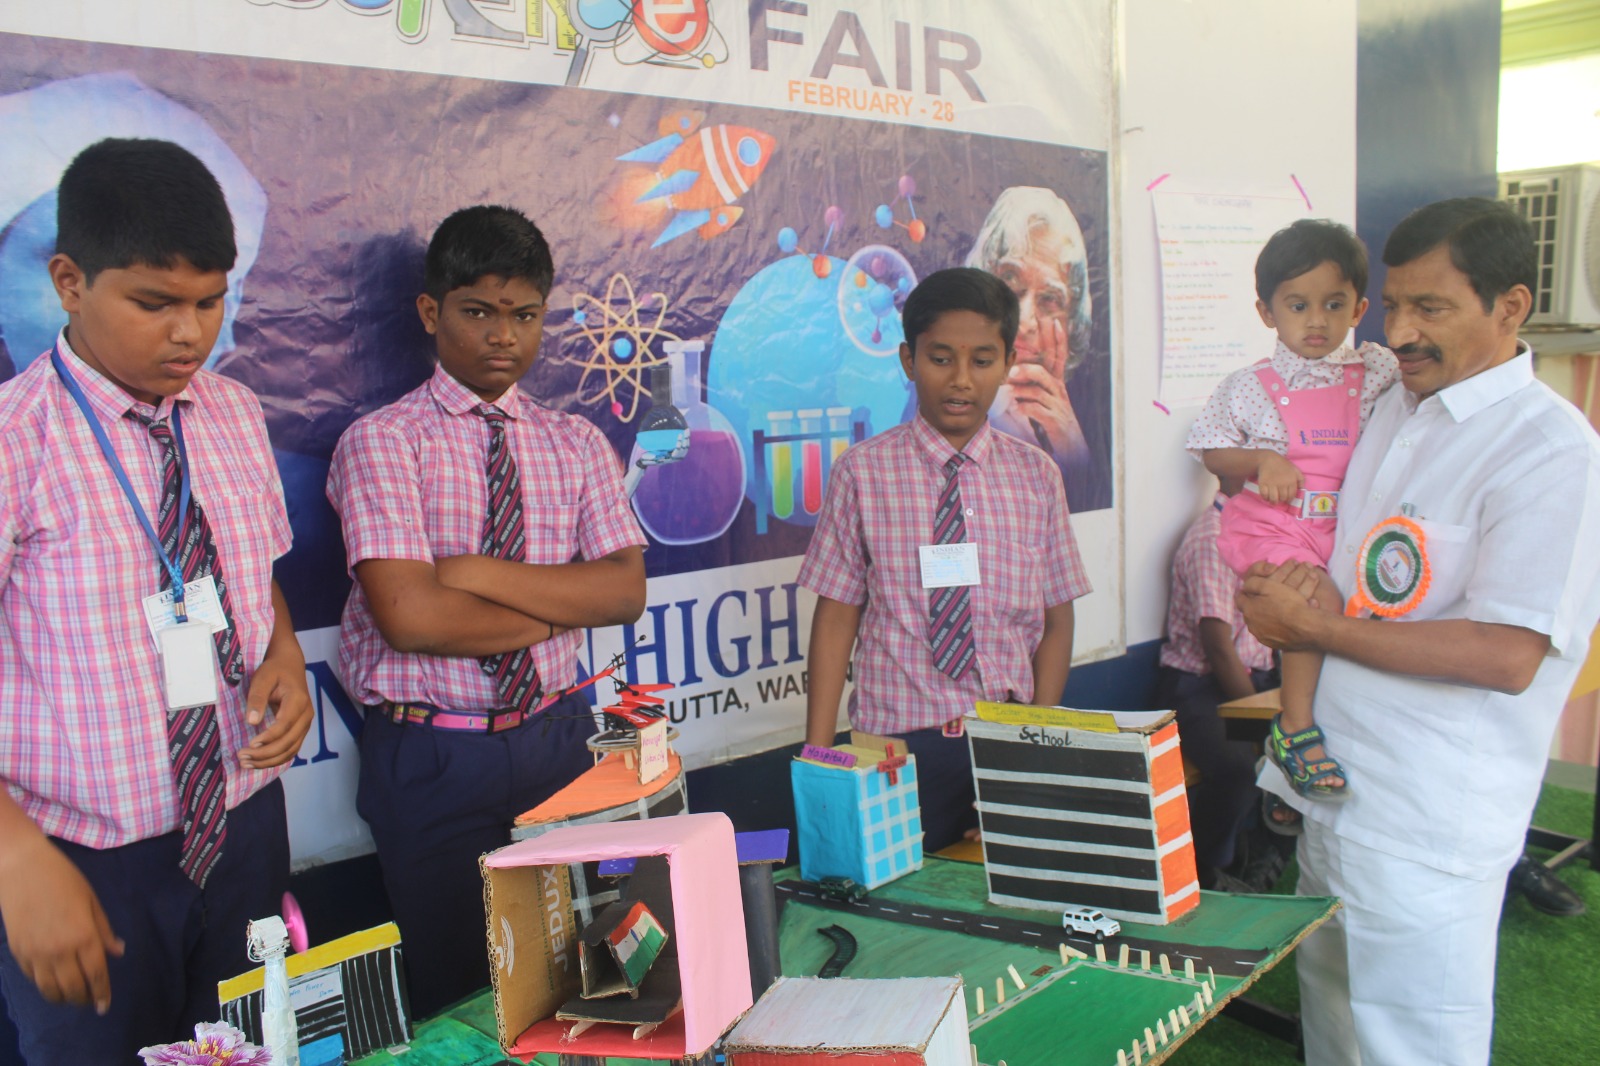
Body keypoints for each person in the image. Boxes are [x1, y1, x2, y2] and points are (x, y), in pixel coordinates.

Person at [1237, 197, 1600, 1064]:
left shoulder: (1551, 452)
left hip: (1428, 824)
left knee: (1411, 1043)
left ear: (1510, 307)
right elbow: (1360, 582)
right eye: (1394, 305)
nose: (1399, 332)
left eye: (1430, 308)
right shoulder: (1397, 408)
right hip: (1334, 790)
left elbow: (1506, 656)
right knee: (1334, 1023)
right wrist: (1286, 591)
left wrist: (1312, 623)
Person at [0, 138, 312, 1064]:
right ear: (69, 281)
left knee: (256, 1050)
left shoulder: (235, 414)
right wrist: (15, 858)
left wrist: (284, 655)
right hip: (81, 863)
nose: (190, 334)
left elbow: (254, 575)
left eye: (210, 301)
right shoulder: (15, 443)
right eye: (155, 303)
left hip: (244, 830)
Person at [326, 205, 646, 1017]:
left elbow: (621, 593)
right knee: (461, 988)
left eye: (524, 315)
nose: (503, 336)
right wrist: (558, 608)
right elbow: (412, 619)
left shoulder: (575, 443)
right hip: (434, 754)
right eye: (478, 311)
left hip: (557, 734)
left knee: (585, 969)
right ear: (431, 311)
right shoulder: (384, 441)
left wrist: (474, 574)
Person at [798, 266, 1091, 852]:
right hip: (891, 745)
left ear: (1007, 363)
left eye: (982, 361)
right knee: (888, 892)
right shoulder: (863, 473)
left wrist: (1036, 741)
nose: (961, 380)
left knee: (999, 888)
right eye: (940, 359)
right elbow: (836, 617)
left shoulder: (1037, 476)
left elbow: (1056, 620)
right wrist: (818, 754)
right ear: (908, 360)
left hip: (1005, 738)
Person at [1188, 220, 1398, 802]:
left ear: (1359, 308)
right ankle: (1294, 726)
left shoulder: (1375, 372)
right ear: (1267, 312)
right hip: (1272, 524)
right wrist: (1261, 460)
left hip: (1339, 527)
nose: (1317, 320)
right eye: (1298, 305)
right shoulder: (1250, 385)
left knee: (1358, 614)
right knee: (1315, 603)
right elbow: (1211, 451)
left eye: (1334, 304)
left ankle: (1313, 752)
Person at [1154, 477, 1282, 887]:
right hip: (1200, 686)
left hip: (1255, 677)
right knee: (1238, 771)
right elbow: (1218, 648)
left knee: (1305, 746)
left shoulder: (1263, 536)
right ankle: (1205, 869)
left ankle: (1266, 852)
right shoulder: (1213, 539)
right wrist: (1262, 723)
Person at [965, 187, 1094, 476]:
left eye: (1050, 299)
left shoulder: (1068, 432)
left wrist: (1074, 450)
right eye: (1010, 283)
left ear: (1071, 323)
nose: (1024, 322)